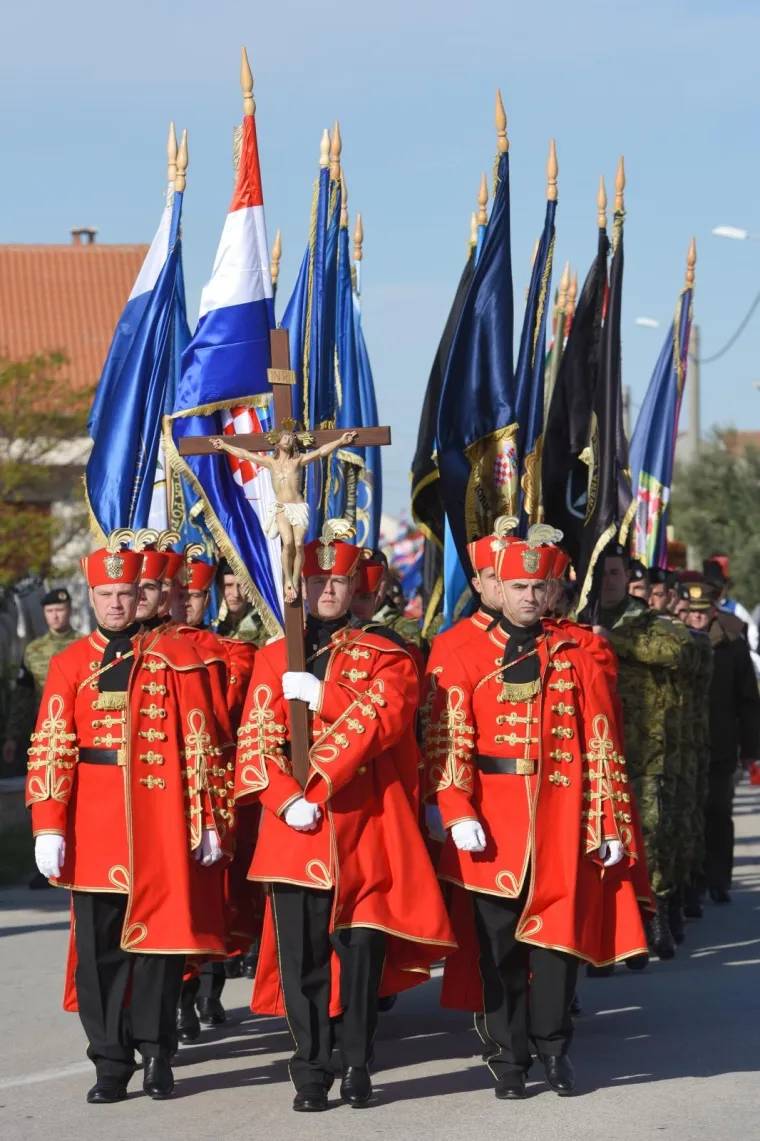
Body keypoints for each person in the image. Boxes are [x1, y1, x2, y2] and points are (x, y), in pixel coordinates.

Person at [234, 522, 455, 1112]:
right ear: (299, 586)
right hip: (294, 831)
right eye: (315, 578)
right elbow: (257, 738)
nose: (326, 588)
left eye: (337, 579)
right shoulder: (275, 655)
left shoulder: (387, 652)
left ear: (355, 582)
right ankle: (311, 1068)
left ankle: (357, 1061)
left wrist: (322, 701)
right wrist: (287, 798)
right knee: (301, 958)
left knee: (359, 956)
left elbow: (387, 716)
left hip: (362, 826)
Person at [425, 525, 647, 1100]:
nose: (527, 596)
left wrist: (608, 819)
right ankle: (507, 1057)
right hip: (490, 818)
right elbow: (448, 737)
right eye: (518, 584)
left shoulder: (577, 647)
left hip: (560, 812)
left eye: (538, 586)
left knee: (555, 946)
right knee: (497, 949)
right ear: (497, 586)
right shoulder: (456, 646)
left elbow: (601, 736)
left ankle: (554, 1049)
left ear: (553, 591)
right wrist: (455, 807)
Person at [25, 538, 229, 1104]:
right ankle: (109, 1061)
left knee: (160, 948)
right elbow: (50, 747)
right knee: (99, 953)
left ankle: (158, 1052)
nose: (116, 604)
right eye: (106, 594)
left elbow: (200, 739)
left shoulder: (172, 656)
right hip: (93, 822)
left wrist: (207, 817)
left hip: (159, 819)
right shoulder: (68, 664)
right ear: (92, 596)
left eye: (126, 593)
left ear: (141, 594)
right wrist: (48, 824)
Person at [597, 544, 685, 959]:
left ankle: (655, 915)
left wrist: (609, 641)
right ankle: (611, 927)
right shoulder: (580, 618)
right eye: (604, 574)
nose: (609, 581)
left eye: (615, 573)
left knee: (647, 837)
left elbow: (673, 652)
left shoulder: (646, 619)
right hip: (598, 749)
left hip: (645, 748)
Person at [211, 429, 357, 603]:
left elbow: (320, 452)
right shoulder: (270, 461)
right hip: (281, 508)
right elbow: (245, 454)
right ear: (277, 442)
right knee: (287, 543)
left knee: (299, 545)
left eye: (291, 438)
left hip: (298, 507)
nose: (288, 439)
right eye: (285, 437)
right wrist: (225, 445)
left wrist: (340, 441)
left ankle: (295, 579)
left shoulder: (298, 461)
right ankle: (287, 579)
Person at [685, 582, 760, 903]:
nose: (698, 618)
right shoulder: (673, 641)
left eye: (704, 612)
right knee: (690, 812)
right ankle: (691, 882)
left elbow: (747, 701)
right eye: (693, 612)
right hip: (682, 746)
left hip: (721, 743)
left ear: (714, 611)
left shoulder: (732, 645)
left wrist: (751, 750)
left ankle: (718, 879)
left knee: (717, 810)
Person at [4, 589, 78, 777]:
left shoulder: (85, 644)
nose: (55, 616)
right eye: (50, 611)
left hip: (80, 730)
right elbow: (23, 696)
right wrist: (12, 737)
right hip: (45, 732)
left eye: (59, 610)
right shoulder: (33, 650)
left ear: (69, 611)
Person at [215, 558, 267, 647]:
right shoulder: (210, 626)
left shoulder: (265, 623)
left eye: (241, 586)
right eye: (228, 585)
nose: (236, 594)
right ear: (218, 588)